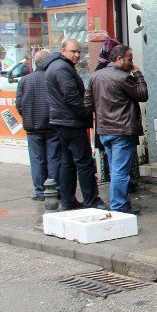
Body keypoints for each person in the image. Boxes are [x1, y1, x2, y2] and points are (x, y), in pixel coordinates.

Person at [85, 44, 148, 214]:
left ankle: (119, 203)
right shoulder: (123, 78)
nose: (131, 63)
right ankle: (119, 206)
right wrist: (138, 74)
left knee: (115, 170)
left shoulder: (95, 76)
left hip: (105, 130)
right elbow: (143, 94)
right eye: (129, 59)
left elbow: (88, 103)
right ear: (119, 59)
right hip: (122, 130)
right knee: (120, 171)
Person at [46, 39, 105, 211]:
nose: (77, 55)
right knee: (84, 162)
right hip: (70, 122)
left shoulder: (56, 66)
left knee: (68, 162)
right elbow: (71, 97)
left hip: (62, 121)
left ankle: (68, 200)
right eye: (73, 51)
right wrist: (86, 113)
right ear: (63, 50)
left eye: (79, 51)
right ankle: (91, 200)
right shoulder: (62, 68)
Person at [16, 49, 62, 201]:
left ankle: (39, 191)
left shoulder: (24, 80)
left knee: (37, 159)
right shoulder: (52, 77)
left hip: (32, 127)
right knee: (53, 158)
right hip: (52, 124)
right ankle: (54, 189)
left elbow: (19, 104)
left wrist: (27, 116)